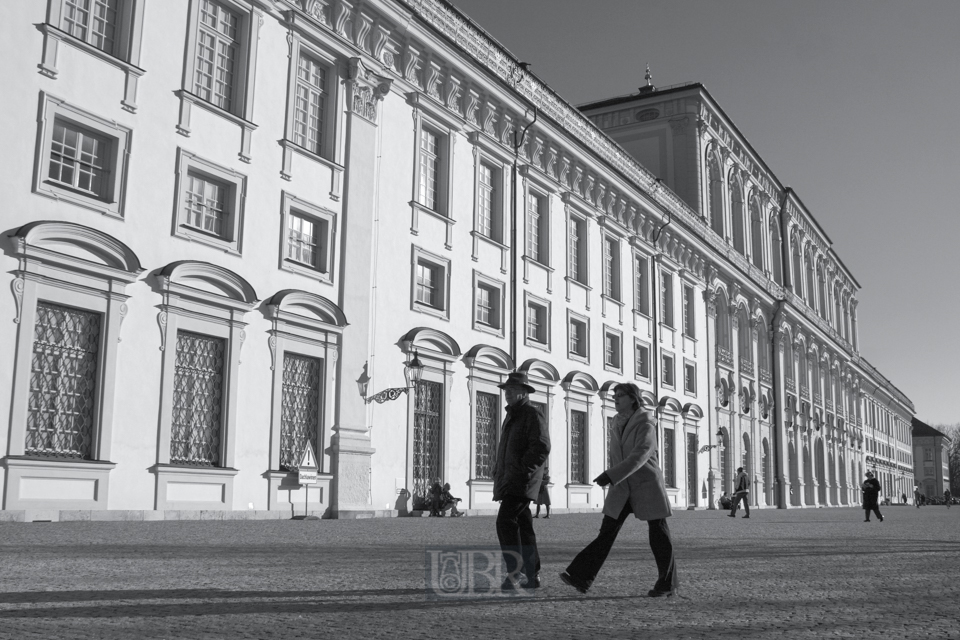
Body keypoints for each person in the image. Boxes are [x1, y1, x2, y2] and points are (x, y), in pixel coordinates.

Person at [559, 382, 678, 598]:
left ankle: (667, 583)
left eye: (621, 395)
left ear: (633, 398)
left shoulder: (646, 423)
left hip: (645, 484)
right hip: (623, 486)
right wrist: (613, 476)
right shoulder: (617, 421)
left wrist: (611, 474)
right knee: (606, 532)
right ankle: (581, 576)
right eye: (615, 395)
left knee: (659, 534)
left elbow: (641, 454)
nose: (616, 398)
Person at [493, 371, 550, 591]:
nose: (507, 394)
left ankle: (514, 573)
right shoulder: (513, 415)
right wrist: (500, 470)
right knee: (523, 526)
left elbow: (541, 447)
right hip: (512, 478)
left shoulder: (531, 415)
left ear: (523, 393)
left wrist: (522, 470)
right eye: (506, 390)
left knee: (505, 522)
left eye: (512, 390)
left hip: (521, 480)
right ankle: (532, 574)